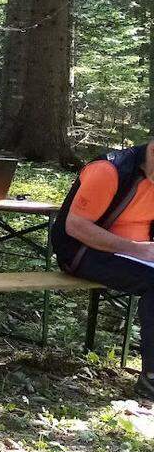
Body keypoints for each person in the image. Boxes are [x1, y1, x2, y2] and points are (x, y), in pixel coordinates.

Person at [51, 139, 154, 401]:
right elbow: (76, 227)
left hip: (138, 253)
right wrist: (137, 249)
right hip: (82, 251)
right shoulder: (109, 170)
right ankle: (151, 378)